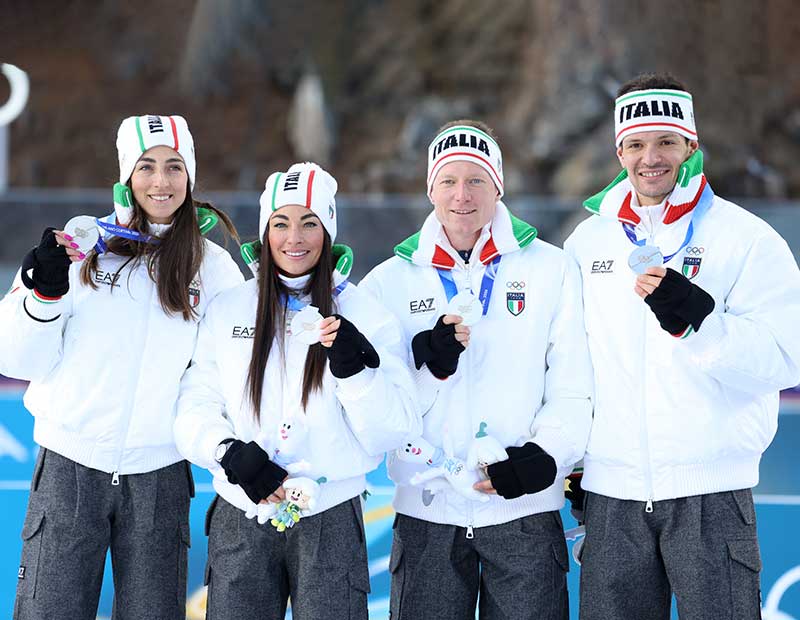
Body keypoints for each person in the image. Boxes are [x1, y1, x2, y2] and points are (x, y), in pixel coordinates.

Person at [564, 72, 800, 620]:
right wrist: (573, 463)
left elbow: (785, 357)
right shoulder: (586, 242)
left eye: (667, 141)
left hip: (711, 493)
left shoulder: (746, 239)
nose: (652, 158)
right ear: (619, 150)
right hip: (612, 495)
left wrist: (703, 323)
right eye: (637, 144)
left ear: (691, 145)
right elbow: (568, 365)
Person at [0, 114, 244, 619]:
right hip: (70, 467)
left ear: (190, 176)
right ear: (126, 175)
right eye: (147, 166)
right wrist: (43, 293)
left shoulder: (214, 268)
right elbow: (16, 357)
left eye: (174, 167)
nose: (161, 181)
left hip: (160, 475)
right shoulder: (80, 248)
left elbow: (235, 369)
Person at [360, 120, 593, 619]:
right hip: (427, 513)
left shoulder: (550, 269)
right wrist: (427, 365)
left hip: (525, 511)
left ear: (498, 186)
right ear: (430, 189)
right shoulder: (387, 282)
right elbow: (376, 405)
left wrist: (546, 457)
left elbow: (574, 386)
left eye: (476, 180)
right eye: (448, 181)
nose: (461, 195)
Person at [173, 162, 421, 620]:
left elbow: (395, 431)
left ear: (328, 232)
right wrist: (226, 452)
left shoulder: (366, 313)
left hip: (330, 517)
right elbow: (194, 404)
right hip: (243, 512)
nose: (295, 238)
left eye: (310, 223)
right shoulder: (229, 309)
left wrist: (355, 373)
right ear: (265, 231)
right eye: (281, 223)